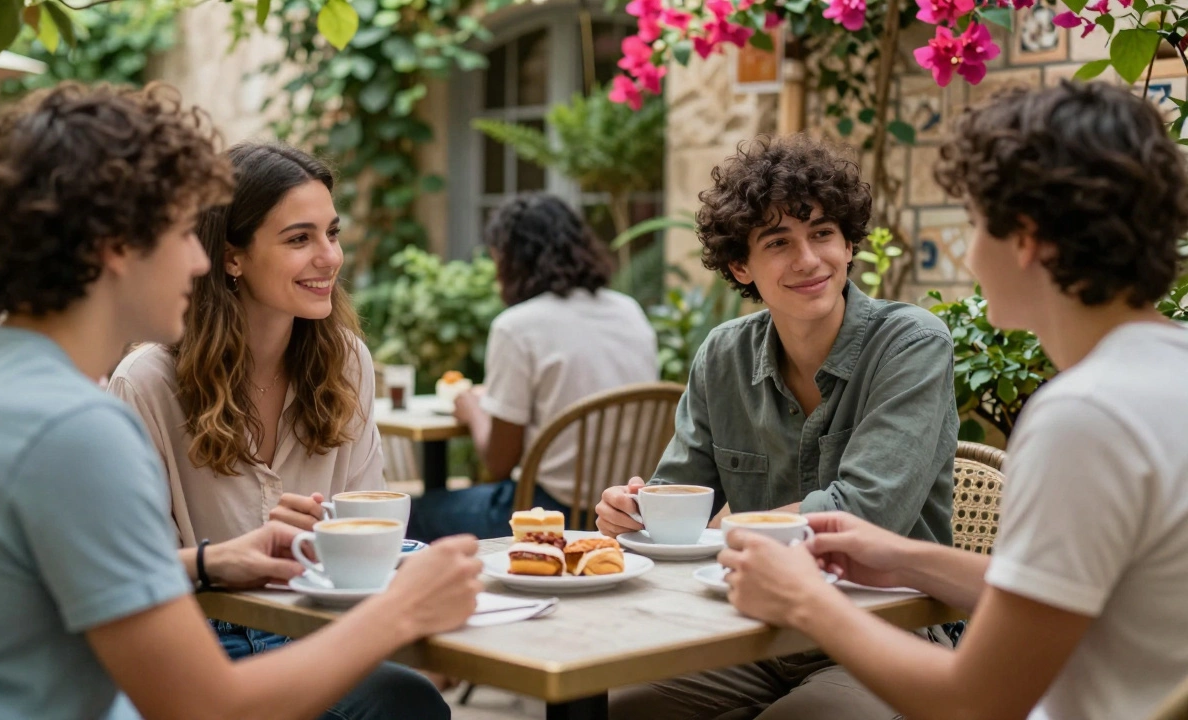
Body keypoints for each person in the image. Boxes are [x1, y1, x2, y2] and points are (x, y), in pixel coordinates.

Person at [0, 81, 482, 720]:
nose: (201, 262)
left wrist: (213, 560)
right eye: (186, 231)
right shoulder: (74, 428)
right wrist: (403, 611)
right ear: (117, 245)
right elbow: (207, 707)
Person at [722, 81, 1188, 720]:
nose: (968, 254)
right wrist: (903, 557)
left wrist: (808, 600)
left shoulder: (1085, 417)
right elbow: (1097, 599)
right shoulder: (1164, 376)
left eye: (973, 224)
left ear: (1024, 239)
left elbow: (976, 702)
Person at [595, 135, 959, 718]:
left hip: (883, 634)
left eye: (822, 234)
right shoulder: (723, 355)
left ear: (847, 244)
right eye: (778, 242)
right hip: (747, 631)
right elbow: (681, 499)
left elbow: (867, 512)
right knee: (611, 709)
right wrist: (636, 511)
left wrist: (736, 524)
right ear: (742, 264)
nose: (809, 260)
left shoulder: (910, 344)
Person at [107, 141, 447, 714]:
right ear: (232, 256)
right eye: (299, 239)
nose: (329, 257)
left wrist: (334, 536)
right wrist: (231, 556)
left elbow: (368, 522)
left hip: (316, 626)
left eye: (332, 234)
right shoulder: (149, 382)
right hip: (199, 645)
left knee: (407, 701)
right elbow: (130, 576)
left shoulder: (346, 361)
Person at [407, 192, 659, 542]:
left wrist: (472, 410)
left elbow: (497, 465)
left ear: (508, 260)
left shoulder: (517, 326)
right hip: (622, 510)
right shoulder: (629, 311)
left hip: (545, 510)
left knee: (413, 512)